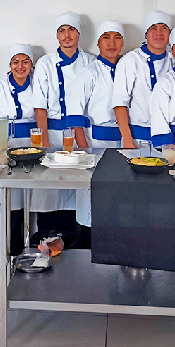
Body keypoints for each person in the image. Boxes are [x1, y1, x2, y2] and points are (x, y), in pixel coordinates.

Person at [31, 11, 95, 241]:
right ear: (56, 36)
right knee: (50, 189)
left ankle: (77, 238)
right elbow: (39, 104)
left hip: (81, 133)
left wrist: (84, 140)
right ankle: (48, 237)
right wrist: (44, 138)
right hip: (54, 133)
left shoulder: (90, 61)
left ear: (78, 33)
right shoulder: (46, 63)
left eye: (71, 30)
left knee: (78, 187)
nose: (66, 35)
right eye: (61, 31)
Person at [66, 21, 125, 233]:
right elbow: (74, 116)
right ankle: (87, 249)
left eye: (117, 37)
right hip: (94, 143)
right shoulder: (89, 72)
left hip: (123, 143)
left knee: (118, 197)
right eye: (106, 38)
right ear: (98, 43)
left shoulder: (127, 69)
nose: (111, 43)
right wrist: (85, 150)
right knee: (92, 198)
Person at [0, 43, 36, 255]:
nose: (20, 66)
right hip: (6, 148)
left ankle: (32, 249)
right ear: (10, 65)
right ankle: (11, 251)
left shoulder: (39, 85)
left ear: (31, 64)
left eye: (25, 62)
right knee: (10, 199)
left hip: (33, 149)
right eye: (16, 62)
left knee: (34, 199)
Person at [113, 10, 174, 149]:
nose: (159, 33)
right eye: (153, 28)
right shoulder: (130, 61)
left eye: (164, 28)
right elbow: (119, 104)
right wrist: (128, 141)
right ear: (146, 34)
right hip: (137, 138)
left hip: (169, 139)